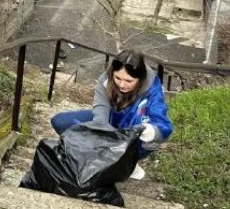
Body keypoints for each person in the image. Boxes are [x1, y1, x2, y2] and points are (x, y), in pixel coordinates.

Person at [50, 49, 173, 181]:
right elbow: (101, 110)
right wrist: (100, 135)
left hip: (133, 133)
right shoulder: (106, 79)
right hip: (111, 121)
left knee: (148, 139)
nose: (122, 85)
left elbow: (163, 124)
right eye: (117, 78)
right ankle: (102, 158)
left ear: (140, 78)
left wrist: (152, 131)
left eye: (129, 81)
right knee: (60, 122)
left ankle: (129, 163)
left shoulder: (153, 90)